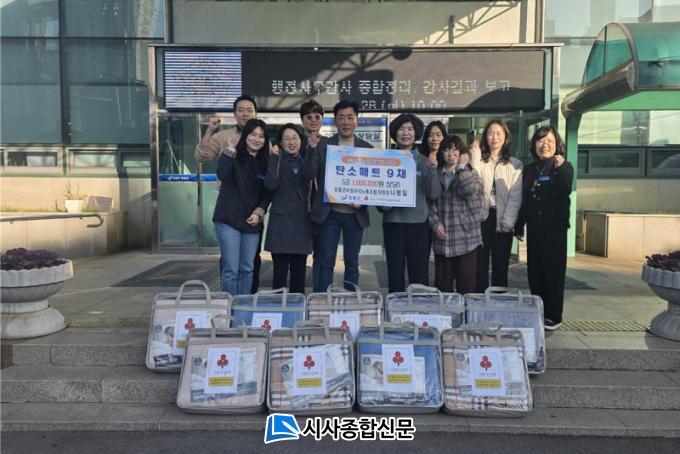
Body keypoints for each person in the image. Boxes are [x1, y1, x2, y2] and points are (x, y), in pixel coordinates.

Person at [194, 94, 264, 293]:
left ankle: (247, 301)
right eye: (241, 110)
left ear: (255, 113)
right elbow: (202, 156)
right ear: (234, 114)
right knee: (230, 265)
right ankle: (228, 305)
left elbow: (266, 179)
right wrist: (210, 131)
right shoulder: (224, 137)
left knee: (250, 263)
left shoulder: (261, 139)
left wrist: (260, 209)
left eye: (249, 110)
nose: (245, 114)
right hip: (230, 207)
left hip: (252, 210)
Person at [306, 100, 373, 292]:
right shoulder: (323, 145)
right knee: (326, 261)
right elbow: (309, 173)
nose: (345, 122)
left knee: (352, 262)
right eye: (341, 117)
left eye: (350, 117)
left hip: (355, 215)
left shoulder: (367, 149)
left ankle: (351, 301)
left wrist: (364, 200)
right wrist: (311, 148)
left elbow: (372, 185)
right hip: (329, 214)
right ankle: (322, 301)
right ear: (335, 121)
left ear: (356, 120)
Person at [516, 125, 574, 330]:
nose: (544, 145)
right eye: (540, 141)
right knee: (535, 271)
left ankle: (553, 315)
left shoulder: (564, 166)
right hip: (535, 227)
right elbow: (526, 197)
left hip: (554, 228)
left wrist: (559, 168)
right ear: (534, 145)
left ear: (557, 144)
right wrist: (520, 224)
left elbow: (565, 189)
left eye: (549, 141)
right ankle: (538, 309)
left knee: (553, 272)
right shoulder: (531, 169)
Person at [379, 113, 440, 292]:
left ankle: (419, 307)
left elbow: (434, 194)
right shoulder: (385, 160)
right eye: (401, 129)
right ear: (395, 133)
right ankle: (395, 307)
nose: (406, 133)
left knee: (419, 274)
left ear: (416, 133)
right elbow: (378, 191)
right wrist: (382, 205)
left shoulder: (425, 161)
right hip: (393, 223)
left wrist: (433, 170)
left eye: (410, 129)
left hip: (418, 225)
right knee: (395, 273)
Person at [212, 118, 270, 295]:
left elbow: (267, 192)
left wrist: (260, 211)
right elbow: (223, 174)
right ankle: (229, 307)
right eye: (252, 134)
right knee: (231, 269)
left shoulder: (265, 162)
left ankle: (243, 306)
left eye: (261, 136)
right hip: (228, 219)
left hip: (252, 221)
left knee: (247, 268)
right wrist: (229, 151)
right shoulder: (233, 155)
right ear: (245, 136)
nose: (256, 139)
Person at [470, 119, 523, 292]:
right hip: (481, 218)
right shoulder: (479, 160)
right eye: (491, 133)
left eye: (499, 133)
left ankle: (500, 300)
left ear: (505, 136)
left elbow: (515, 196)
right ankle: (479, 300)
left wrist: (508, 222)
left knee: (501, 264)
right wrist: (475, 156)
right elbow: (472, 184)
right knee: (479, 264)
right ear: (486, 136)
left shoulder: (515, 164)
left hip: (503, 218)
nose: (495, 137)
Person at [429, 135, 484, 294]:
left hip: (466, 239)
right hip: (443, 241)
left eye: (455, 150)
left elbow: (468, 191)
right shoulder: (437, 173)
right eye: (447, 149)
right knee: (442, 288)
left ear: (461, 153)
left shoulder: (470, 172)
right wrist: (435, 224)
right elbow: (430, 203)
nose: (451, 153)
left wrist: (461, 169)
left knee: (467, 288)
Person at [264, 124, 314, 293]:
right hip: (280, 224)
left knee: (299, 275)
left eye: (295, 138)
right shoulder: (276, 160)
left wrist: (311, 150)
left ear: (301, 140)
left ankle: (297, 307)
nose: (291, 142)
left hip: (301, 223)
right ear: (280, 142)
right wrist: (273, 158)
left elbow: (310, 174)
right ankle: (278, 307)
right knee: (279, 275)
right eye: (287, 139)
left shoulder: (305, 161)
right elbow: (270, 185)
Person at [299, 100, 329, 292]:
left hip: (322, 208)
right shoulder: (295, 141)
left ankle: (319, 295)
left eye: (317, 116)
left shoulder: (329, 144)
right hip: (299, 206)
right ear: (302, 120)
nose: (313, 120)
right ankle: (297, 295)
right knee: (298, 254)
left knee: (321, 254)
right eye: (308, 117)